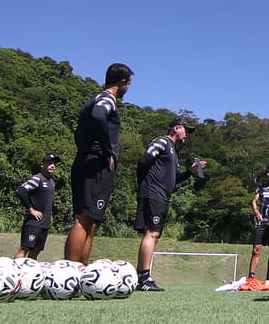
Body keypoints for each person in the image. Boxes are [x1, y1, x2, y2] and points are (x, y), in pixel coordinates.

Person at [64, 63, 134, 264]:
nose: (128, 88)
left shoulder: (94, 99)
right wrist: (107, 150)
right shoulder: (106, 98)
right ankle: (69, 272)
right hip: (96, 163)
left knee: (92, 221)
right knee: (84, 219)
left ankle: (81, 272)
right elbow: (98, 116)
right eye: (128, 84)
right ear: (122, 83)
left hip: (88, 161)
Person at [134, 119, 206, 291]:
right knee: (151, 233)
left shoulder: (173, 151)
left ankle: (142, 276)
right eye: (186, 131)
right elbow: (143, 162)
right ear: (176, 128)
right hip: (153, 193)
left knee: (154, 234)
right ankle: (143, 278)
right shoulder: (162, 141)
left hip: (162, 195)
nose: (186, 135)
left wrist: (190, 172)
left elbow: (175, 180)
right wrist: (144, 184)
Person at [14, 153, 59, 260]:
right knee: (24, 249)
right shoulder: (37, 179)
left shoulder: (52, 181)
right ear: (42, 165)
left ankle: (30, 274)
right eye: (49, 163)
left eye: (54, 164)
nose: (52, 166)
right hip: (34, 223)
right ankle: (14, 273)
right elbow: (21, 192)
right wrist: (31, 209)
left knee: (35, 252)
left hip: (44, 223)